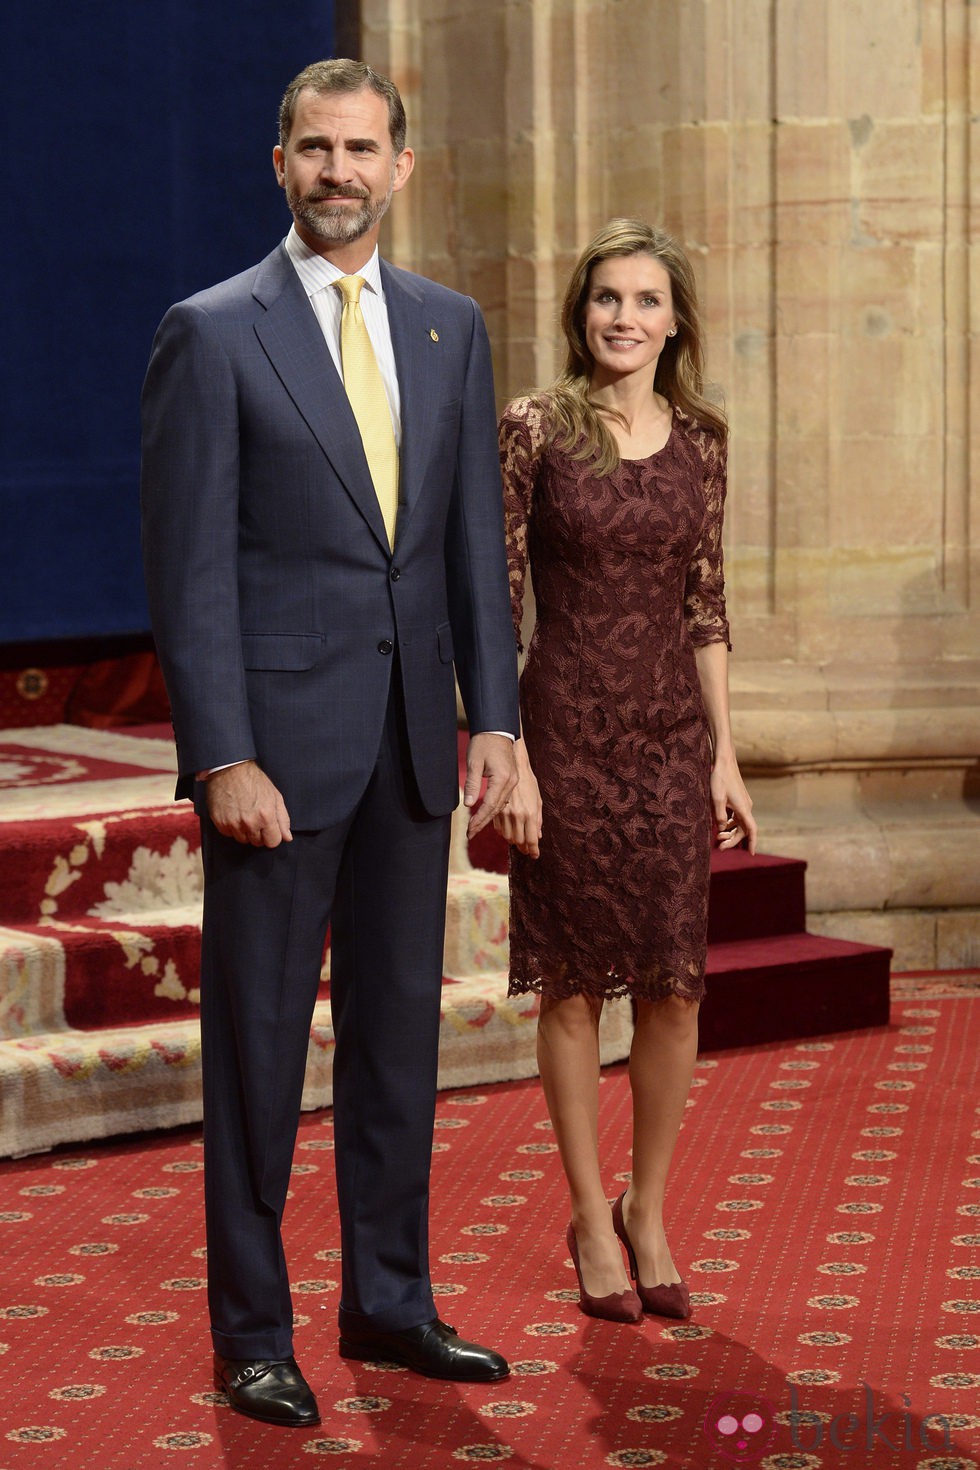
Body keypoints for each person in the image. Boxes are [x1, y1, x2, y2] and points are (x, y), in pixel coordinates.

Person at [140, 59, 520, 1427]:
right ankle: (252, 1328)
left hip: (416, 741)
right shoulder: (214, 330)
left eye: (364, 148)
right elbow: (188, 571)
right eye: (317, 147)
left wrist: (502, 720)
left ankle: (391, 1297)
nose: (341, 170)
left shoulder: (448, 329)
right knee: (253, 1048)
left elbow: (470, 539)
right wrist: (221, 752)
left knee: (394, 1044)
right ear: (281, 162)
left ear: (401, 167)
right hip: (276, 763)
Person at [493, 219, 757, 1323]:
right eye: (605, 297)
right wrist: (506, 753)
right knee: (567, 986)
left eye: (645, 300)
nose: (622, 318)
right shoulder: (534, 428)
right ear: (579, 310)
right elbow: (498, 596)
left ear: (674, 321)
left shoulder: (701, 437)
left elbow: (705, 604)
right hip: (562, 735)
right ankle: (589, 1215)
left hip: (665, 745)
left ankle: (649, 1209)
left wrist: (725, 759)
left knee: (670, 985)